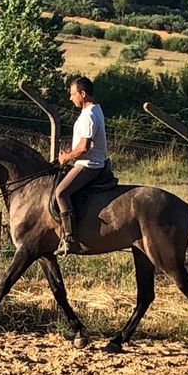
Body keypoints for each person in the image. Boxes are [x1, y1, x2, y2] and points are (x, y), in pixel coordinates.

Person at [55, 76, 108, 256]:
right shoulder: (94, 111)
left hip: (89, 165)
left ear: (83, 94)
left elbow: (84, 147)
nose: (71, 98)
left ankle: (70, 238)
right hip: (89, 161)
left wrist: (67, 157)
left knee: (60, 193)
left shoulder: (89, 115)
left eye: (73, 94)